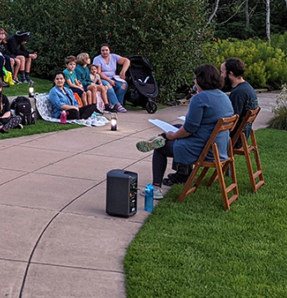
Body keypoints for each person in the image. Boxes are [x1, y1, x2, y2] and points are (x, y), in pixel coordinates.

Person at [137, 64, 235, 196]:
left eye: (195, 78)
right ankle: (162, 138)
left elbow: (190, 128)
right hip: (219, 147)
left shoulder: (199, 99)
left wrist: (173, 137)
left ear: (201, 80)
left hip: (204, 150)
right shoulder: (223, 96)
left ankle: (156, 188)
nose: (194, 81)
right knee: (177, 127)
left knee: (161, 149)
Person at [221, 57, 259, 139]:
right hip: (244, 135)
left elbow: (231, 120)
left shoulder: (238, 93)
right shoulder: (247, 87)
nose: (221, 76)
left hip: (236, 138)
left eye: (222, 72)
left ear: (230, 74)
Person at [93, 43, 130, 111]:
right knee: (108, 86)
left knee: (123, 85)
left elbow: (126, 61)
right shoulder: (97, 59)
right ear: (100, 51)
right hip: (101, 78)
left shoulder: (113, 56)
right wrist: (109, 81)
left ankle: (118, 104)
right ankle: (117, 105)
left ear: (109, 51)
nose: (105, 52)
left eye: (106, 50)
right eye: (103, 50)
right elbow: (98, 73)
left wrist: (123, 71)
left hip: (113, 77)